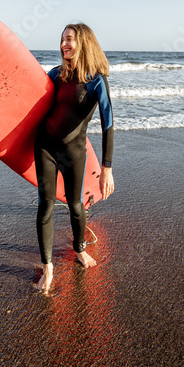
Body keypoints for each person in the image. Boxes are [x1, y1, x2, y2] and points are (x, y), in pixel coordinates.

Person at [34, 23, 115, 293]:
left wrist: (107, 168)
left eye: (69, 39)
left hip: (73, 152)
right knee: (45, 206)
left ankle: (79, 249)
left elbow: (108, 123)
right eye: (62, 40)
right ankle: (48, 268)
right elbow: (30, 110)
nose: (64, 44)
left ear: (84, 42)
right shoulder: (55, 75)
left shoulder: (95, 79)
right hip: (44, 146)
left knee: (76, 206)